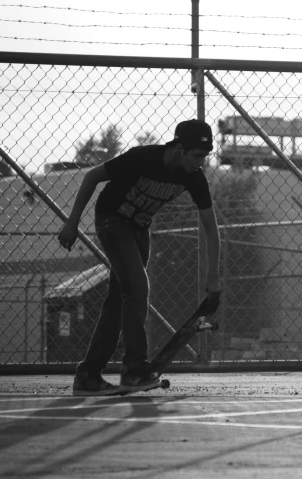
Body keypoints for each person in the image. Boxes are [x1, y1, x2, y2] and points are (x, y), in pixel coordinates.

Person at [57, 119, 221, 396]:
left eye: (204, 157)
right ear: (179, 149)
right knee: (137, 288)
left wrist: (213, 275)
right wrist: (72, 223)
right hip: (112, 221)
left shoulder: (194, 176)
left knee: (118, 302)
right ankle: (134, 369)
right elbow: (91, 177)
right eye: (196, 156)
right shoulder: (142, 158)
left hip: (139, 231)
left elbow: (210, 226)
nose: (199, 163)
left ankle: (88, 375)